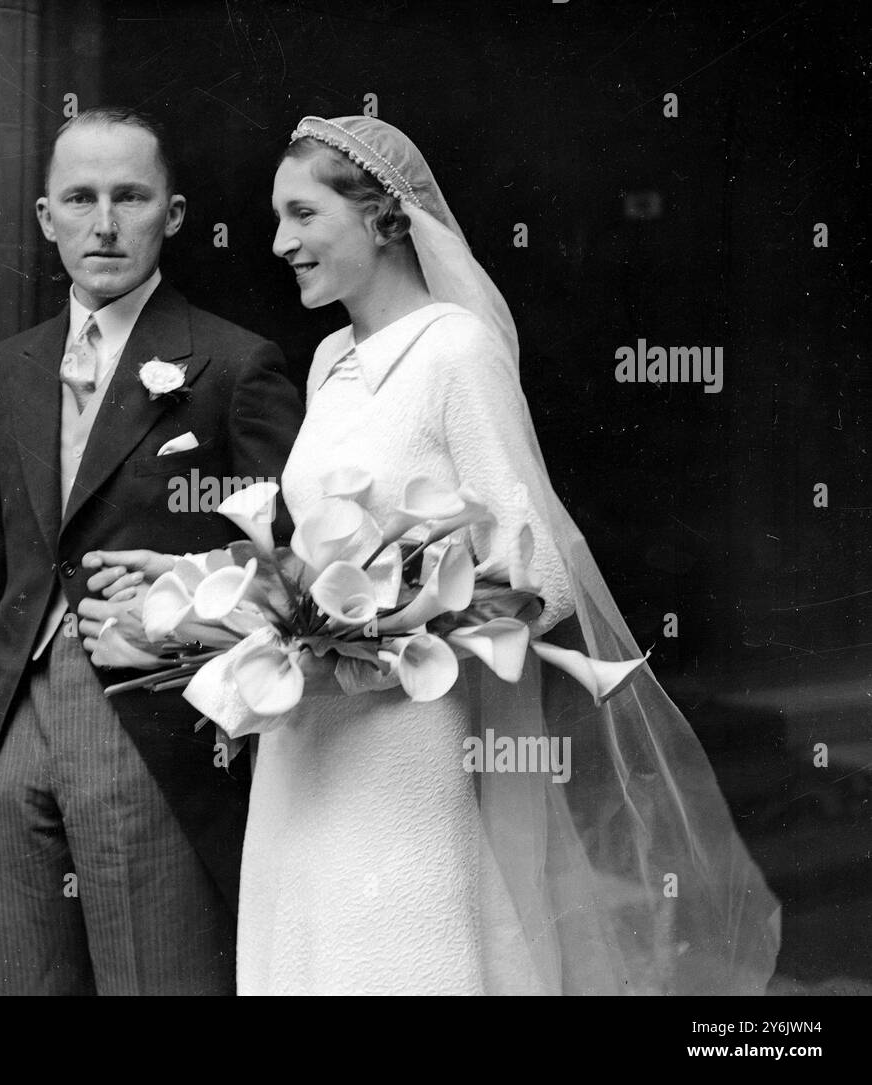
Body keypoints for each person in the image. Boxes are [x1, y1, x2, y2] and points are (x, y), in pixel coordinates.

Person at [83, 115, 781, 994]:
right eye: (275, 219)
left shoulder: (456, 349)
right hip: (304, 747)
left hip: (401, 748)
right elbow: (315, 560)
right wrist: (191, 586)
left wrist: (372, 643)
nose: (277, 242)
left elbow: (541, 575)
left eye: (301, 214)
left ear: (381, 217)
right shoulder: (332, 360)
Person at [0, 106, 303, 995]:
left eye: (130, 197)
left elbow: (289, 571)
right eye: (80, 198)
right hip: (18, 732)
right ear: (46, 218)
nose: (104, 223)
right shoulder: (11, 367)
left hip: (154, 728)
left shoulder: (233, 365)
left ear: (174, 215)